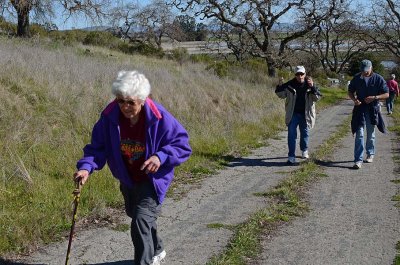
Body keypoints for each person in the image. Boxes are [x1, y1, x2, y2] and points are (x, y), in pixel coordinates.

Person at [73, 70, 192, 265]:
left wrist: (160, 157)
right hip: (127, 178)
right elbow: (97, 148)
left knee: (140, 220)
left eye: (131, 102)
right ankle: (157, 248)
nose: (125, 107)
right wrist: (86, 167)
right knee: (137, 216)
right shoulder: (109, 118)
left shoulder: (160, 118)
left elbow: (182, 145)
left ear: (142, 99)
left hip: (152, 180)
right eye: (120, 101)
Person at [275, 66, 321, 164]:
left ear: (305, 74)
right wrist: (279, 85)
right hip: (293, 114)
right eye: (297, 74)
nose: (300, 76)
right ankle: (291, 156)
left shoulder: (310, 85)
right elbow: (280, 95)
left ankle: (304, 150)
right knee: (291, 135)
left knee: (305, 134)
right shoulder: (290, 85)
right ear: (295, 75)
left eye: (302, 74)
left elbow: (317, 98)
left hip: (305, 114)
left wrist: (312, 87)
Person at [348, 59, 389, 169]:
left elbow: (386, 94)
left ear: (371, 68)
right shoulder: (357, 78)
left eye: (366, 70)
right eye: (363, 70)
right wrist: (354, 100)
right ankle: (358, 160)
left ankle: (370, 153)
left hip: (372, 109)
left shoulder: (378, 78)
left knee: (370, 133)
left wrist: (375, 97)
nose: (364, 72)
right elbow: (350, 91)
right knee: (359, 133)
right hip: (359, 109)